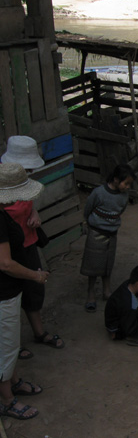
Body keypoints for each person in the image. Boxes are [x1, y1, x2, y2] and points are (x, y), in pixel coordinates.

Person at [1, 136, 64, 358]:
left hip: (27, 241)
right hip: (8, 250)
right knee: (9, 298)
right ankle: (11, 345)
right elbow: (5, 263)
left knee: (33, 291)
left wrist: (34, 213)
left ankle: (38, 332)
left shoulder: (21, 179)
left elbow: (28, 202)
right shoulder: (4, 183)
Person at [0, 163, 49, 420]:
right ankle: (8, 399)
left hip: (7, 291)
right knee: (6, 346)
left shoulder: (3, 214)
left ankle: (14, 381)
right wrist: (35, 275)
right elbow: (5, 264)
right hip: (3, 292)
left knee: (9, 342)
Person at [81, 164, 135, 312]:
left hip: (112, 234)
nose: (128, 187)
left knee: (107, 264)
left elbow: (121, 210)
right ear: (116, 180)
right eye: (126, 183)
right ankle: (91, 293)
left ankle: (106, 290)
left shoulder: (124, 196)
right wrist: (88, 222)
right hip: (96, 233)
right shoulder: (98, 193)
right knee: (93, 264)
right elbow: (88, 208)